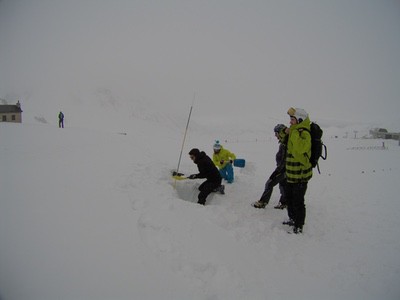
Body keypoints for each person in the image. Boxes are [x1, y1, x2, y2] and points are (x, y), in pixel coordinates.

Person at [284, 107, 313, 234]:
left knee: (298, 201)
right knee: (289, 199)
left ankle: (299, 224)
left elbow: (301, 148)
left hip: (300, 176)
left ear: (300, 119)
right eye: (290, 119)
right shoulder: (294, 131)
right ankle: (292, 218)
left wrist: (293, 132)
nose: (290, 122)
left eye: (292, 119)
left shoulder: (304, 133)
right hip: (291, 174)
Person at [252, 124, 288, 209]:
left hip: (283, 169)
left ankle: (263, 202)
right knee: (283, 185)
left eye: (276, 133)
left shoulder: (285, 144)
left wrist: (277, 171)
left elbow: (284, 159)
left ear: (280, 132)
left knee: (269, 183)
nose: (275, 136)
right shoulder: (285, 141)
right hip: (285, 169)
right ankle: (284, 202)